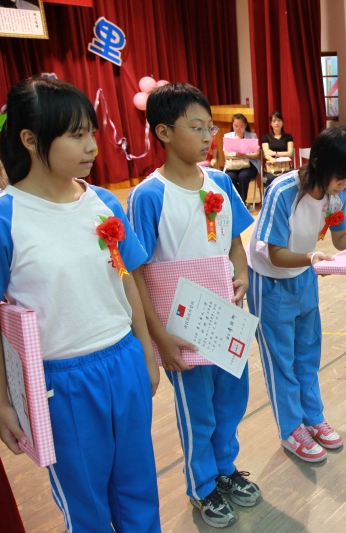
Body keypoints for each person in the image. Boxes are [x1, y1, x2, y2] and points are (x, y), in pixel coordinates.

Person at [0, 77, 161, 532]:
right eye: (76, 135)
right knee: (86, 504)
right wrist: (1, 404)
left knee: (139, 487)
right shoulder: (2, 218)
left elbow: (127, 280)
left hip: (123, 361)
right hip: (61, 383)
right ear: (31, 140)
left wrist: (145, 352)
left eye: (92, 133)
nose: (92, 146)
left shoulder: (102, 201)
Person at [127, 83, 257, 529]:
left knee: (231, 400)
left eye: (210, 129)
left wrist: (241, 273)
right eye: (196, 128)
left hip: (224, 316)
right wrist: (160, 337)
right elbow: (136, 272)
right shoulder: (148, 195)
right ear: (163, 132)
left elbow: (234, 243)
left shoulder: (219, 181)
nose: (207, 137)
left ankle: (224, 468)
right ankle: (202, 485)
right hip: (182, 326)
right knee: (196, 410)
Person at [248, 126, 346, 462]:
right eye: (341, 177)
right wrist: (311, 258)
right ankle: (290, 428)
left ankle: (312, 417)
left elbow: (341, 239)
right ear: (320, 163)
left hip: (305, 274)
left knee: (308, 353)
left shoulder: (336, 193)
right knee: (281, 360)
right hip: (270, 281)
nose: (344, 184)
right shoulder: (283, 191)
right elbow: (274, 253)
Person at [223, 113, 260, 204]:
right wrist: (235, 155)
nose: (238, 129)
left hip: (249, 164)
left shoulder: (252, 136)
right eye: (236, 126)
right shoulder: (228, 136)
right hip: (233, 164)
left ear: (245, 125)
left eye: (241, 126)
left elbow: (256, 154)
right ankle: (237, 200)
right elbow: (226, 154)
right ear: (232, 125)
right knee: (230, 177)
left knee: (243, 176)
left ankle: (242, 202)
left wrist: (245, 155)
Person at [261, 111, 294, 188]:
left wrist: (274, 153)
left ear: (282, 122)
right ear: (270, 123)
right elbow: (266, 153)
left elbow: (290, 153)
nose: (276, 123)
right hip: (272, 167)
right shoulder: (266, 137)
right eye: (274, 121)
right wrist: (271, 158)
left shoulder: (288, 137)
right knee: (270, 178)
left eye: (279, 120)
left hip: (285, 166)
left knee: (291, 178)